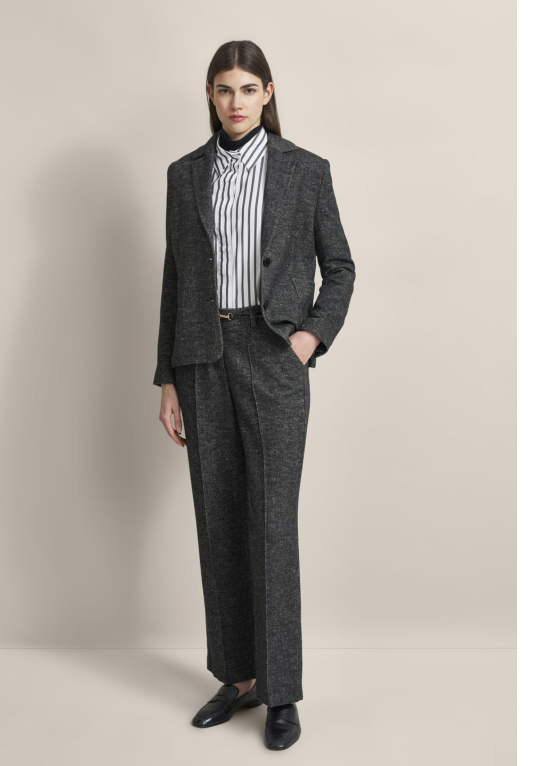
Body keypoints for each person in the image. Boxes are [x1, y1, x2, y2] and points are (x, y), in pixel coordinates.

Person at [153, 40, 355, 751]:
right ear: (209, 97)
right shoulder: (184, 175)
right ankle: (237, 677)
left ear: (267, 93)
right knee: (218, 521)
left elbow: (340, 266)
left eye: (246, 88)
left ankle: (280, 691)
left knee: (270, 524)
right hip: (201, 357)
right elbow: (176, 279)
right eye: (222, 89)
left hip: (272, 357)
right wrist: (167, 377)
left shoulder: (305, 170)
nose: (234, 102)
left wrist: (308, 339)